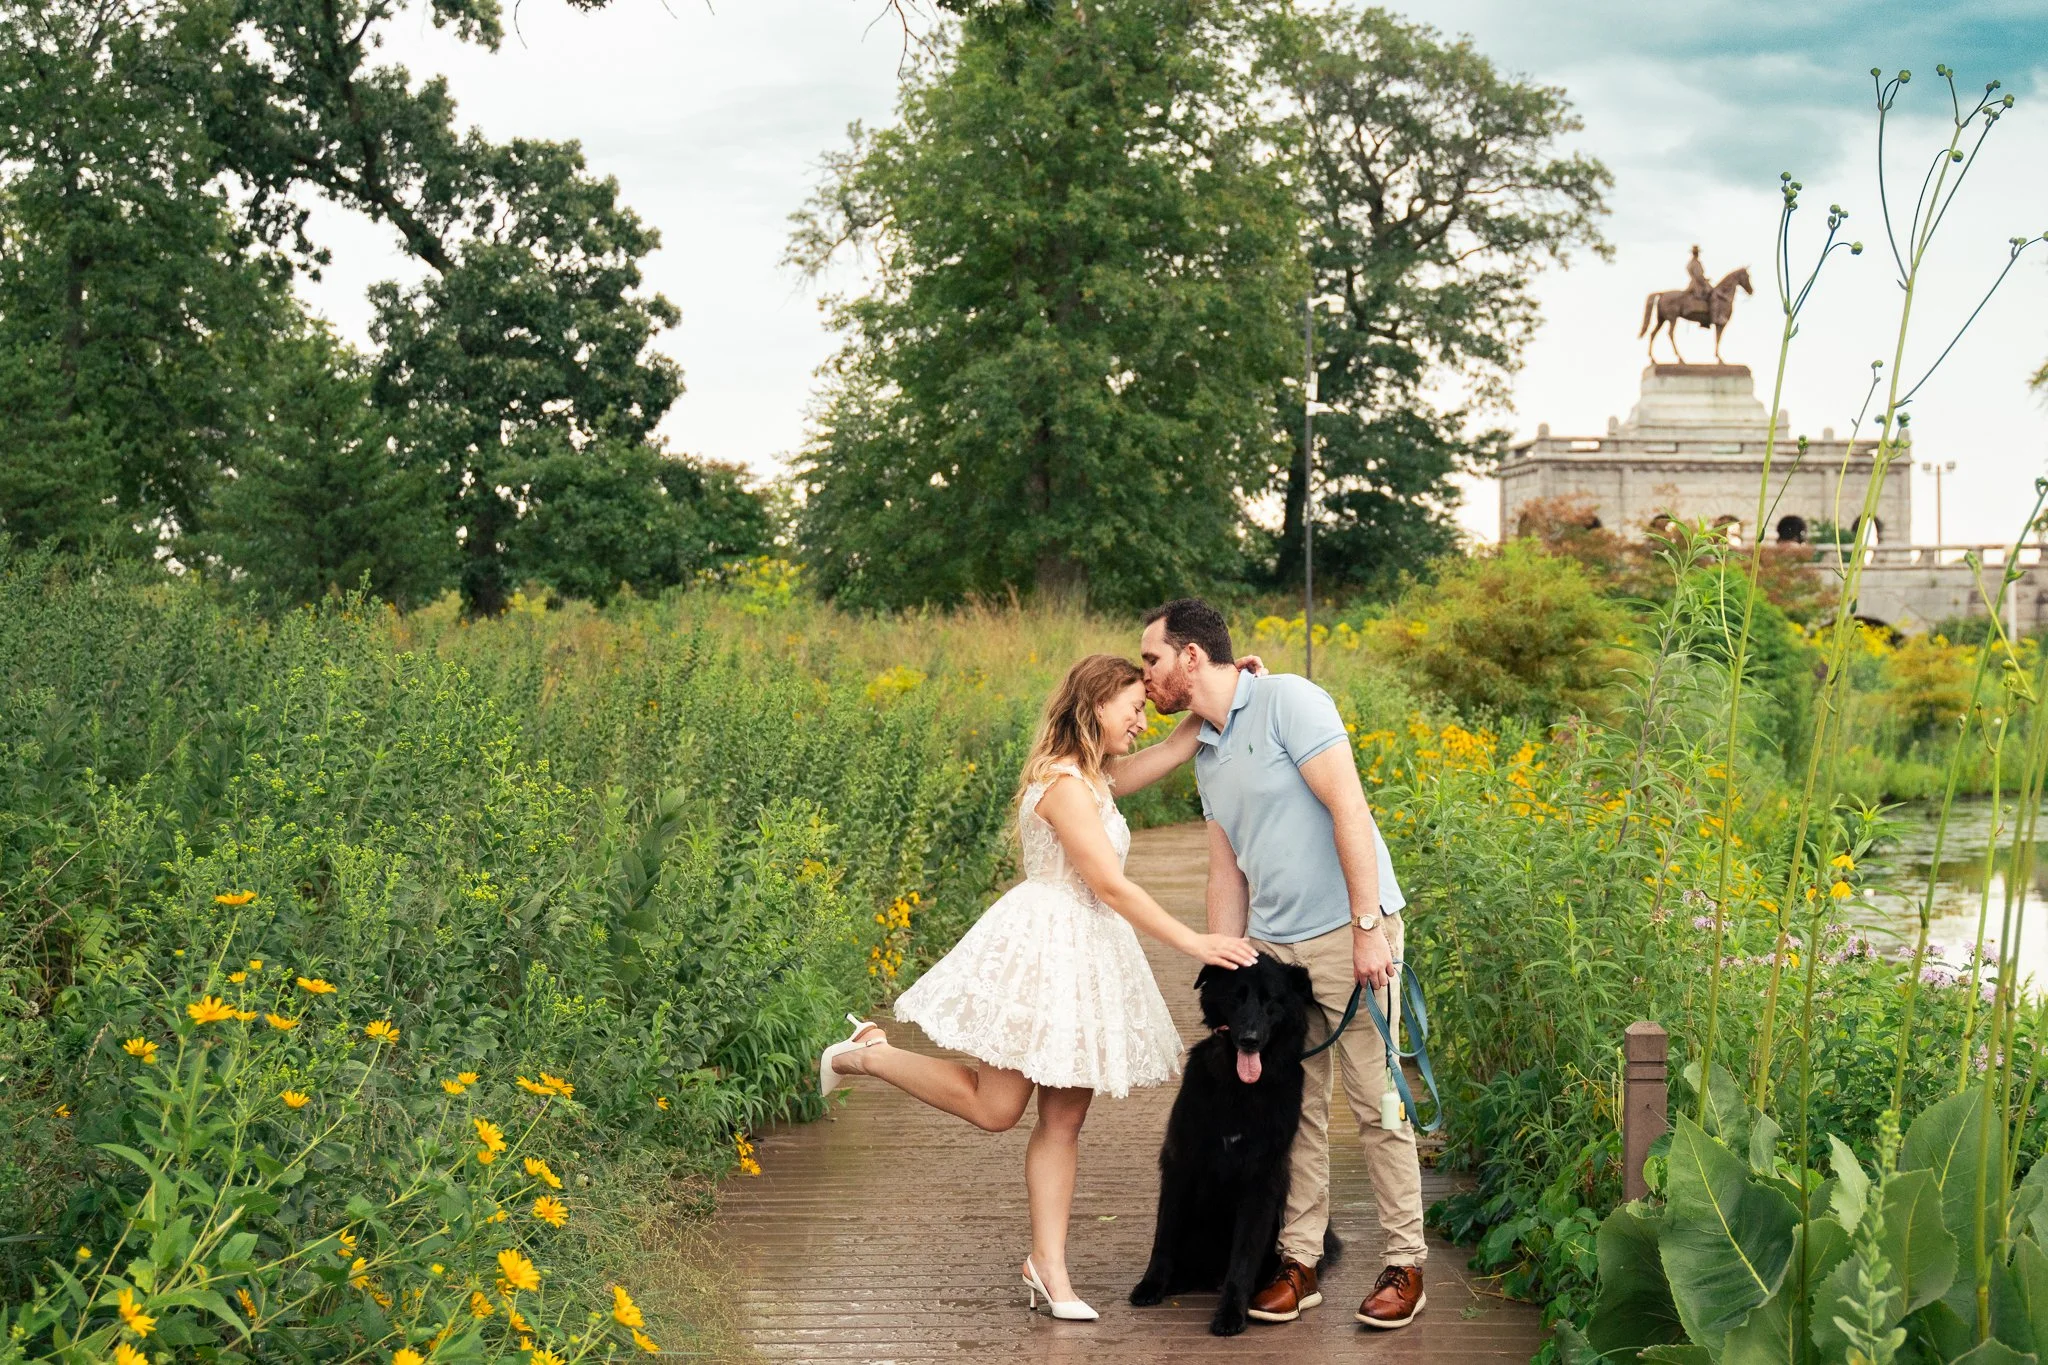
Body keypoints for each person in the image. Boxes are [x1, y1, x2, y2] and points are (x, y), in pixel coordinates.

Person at [817, 652, 1260, 1322]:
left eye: (1143, 708)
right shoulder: (1060, 781)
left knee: (1065, 1118)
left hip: (1087, 958)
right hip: (1043, 949)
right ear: (1096, 700)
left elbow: (1175, 745)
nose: (1142, 720)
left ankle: (1048, 1266)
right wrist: (1196, 941)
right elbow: (1108, 883)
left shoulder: (1099, 776)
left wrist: (1231, 683)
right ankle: (867, 1052)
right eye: (1133, 706)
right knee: (997, 1107)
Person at [1138, 597, 1429, 1331]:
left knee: (1379, 1104)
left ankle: (1405, 1262)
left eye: (1152, 660)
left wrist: (1368, 927)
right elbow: (1225, 869)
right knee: (1293, 1113)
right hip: (1274, 953)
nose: (1146, 676)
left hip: (1347, 933)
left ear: (1192, 656)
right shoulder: (1204, 746)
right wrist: (1228, 962)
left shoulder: (1290, 700)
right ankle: (1298, 1259)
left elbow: (1349, 807)